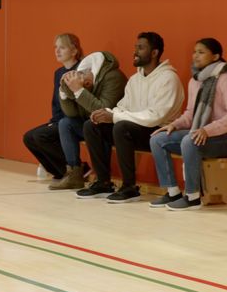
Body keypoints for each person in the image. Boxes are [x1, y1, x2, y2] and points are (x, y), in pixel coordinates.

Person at [77, 32, 185, 203]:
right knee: (91, 125)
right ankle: (103, 182)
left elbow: (154, 117)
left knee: (121, 127)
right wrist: (105, 113)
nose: (135, 51)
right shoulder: (135, 79)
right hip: (134, 129)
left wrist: (114, 117)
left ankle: (129, 187)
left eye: (141, 48)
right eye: (135, 47)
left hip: (159, 132)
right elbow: (122, 107)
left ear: (155, 52)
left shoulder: (169, 78)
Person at [149, 38, 227, 211]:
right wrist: (175, 125)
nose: (195, 56)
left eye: (201, 52)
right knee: (158, 139)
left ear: (216, 56)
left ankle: (192, 197)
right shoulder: (195, 80)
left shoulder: (226, 78)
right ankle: (172, 192)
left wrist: (207, 130)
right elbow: (191, 114)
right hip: (202, 133)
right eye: (194, 51)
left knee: (189, 140)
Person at [48, 49, 127, 190]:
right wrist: (64, 90)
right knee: (65, 123)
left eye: (84, 74)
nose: (82, 78)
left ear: (94, 70)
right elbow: (71, 113)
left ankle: (103, 179)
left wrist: (79, 90)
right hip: (90, 122)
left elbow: (103, 110)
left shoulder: (113, 77)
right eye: (81, 73)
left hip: (112, 125)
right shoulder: (87, 79)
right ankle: (74, 173)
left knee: (93, 125)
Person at [23, 33, 82, 182]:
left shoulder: (81, 71)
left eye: (62, 47)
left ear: (74, 51)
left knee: (40, 136)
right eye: (56, 47)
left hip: (74, 121)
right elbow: (56, 103)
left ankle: (79, 169)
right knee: (29, 137)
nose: (57, 51)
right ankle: (59, 171)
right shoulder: (58, 73)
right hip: (59, 119)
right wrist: (54, 121)